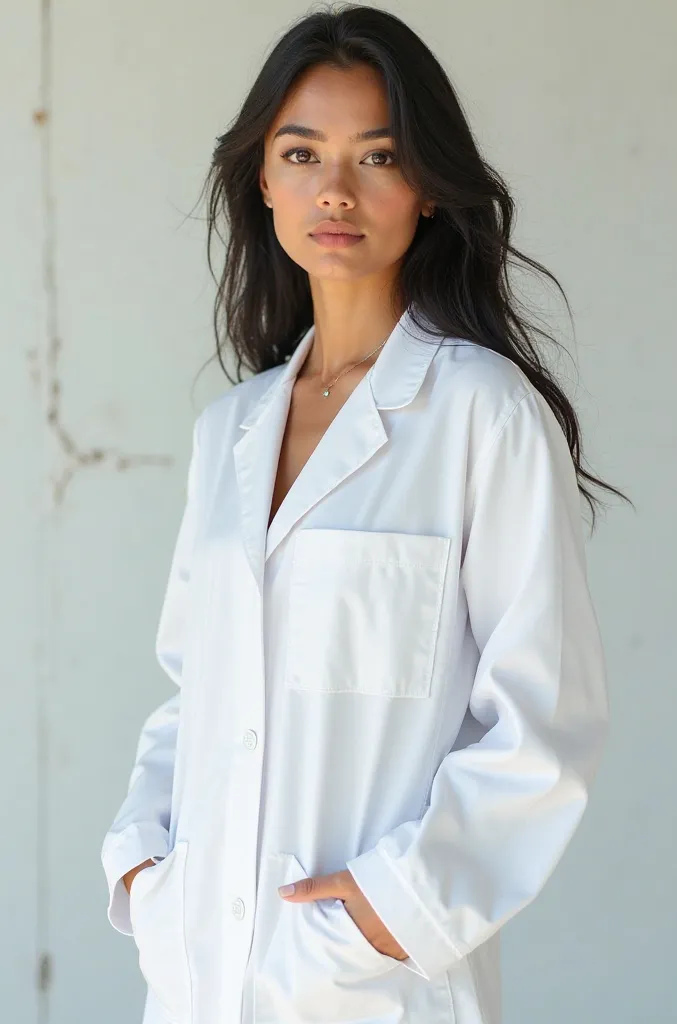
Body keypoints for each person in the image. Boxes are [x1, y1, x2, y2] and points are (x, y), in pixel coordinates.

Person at [100, 5, 629, 1023]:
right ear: (263, 178)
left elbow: (545, 721)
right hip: (198, 976)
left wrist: (390, 912)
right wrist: (143, 864)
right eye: (302, 153)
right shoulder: (232, 431)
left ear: (425, 186)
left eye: (376, 155)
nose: (334, 190)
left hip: (370, 989)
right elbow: (190, 694)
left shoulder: (483, 414)